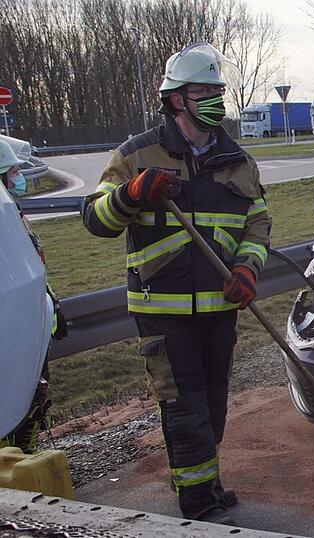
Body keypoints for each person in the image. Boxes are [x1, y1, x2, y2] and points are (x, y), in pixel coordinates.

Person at [83, 41, 271, 526]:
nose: (215, 101)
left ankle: (203, 481)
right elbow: (95, 220)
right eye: (204, 93)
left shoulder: (237, 160)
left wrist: (247, 270)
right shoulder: (136, 154)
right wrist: (132, 193)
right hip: (162, 310)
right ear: (176, 99)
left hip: (219, 308)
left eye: (218, 92)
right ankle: (199, 506)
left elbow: (257, 224)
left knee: (212, 406)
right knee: (185, 408)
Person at [0, 139, 67, 454]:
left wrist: (52, 304)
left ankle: (23, 460)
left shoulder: (12, 215)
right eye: (12, 172)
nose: (18, 178)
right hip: (13, 332)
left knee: (31, 401)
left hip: (28, 330)